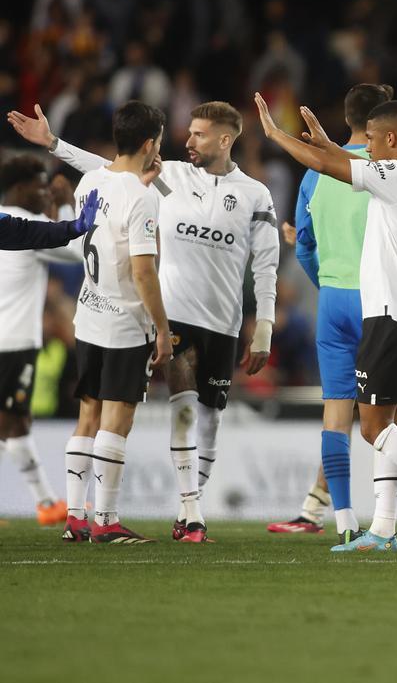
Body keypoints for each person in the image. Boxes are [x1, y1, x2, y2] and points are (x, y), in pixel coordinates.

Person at [9, 101, 279, 544]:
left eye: (198, 134)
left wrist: (263, 325)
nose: (187, 140)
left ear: (226, 140)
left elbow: (267, 263)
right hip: (169, 311)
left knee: (209, 420)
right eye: (187, 132)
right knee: (180, 409)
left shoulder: (254, 194)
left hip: (223, 321)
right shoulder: (170, 177)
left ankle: (169, 509)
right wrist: (55, 144)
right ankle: (186, 515)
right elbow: (112, 169)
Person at [255, 93, 397, 552]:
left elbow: (334, 170)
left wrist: (275, 135)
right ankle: (383, 527)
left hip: (390, 314)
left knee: (373, 426)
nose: (367, 152)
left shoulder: (395, 178)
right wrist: (327, 143)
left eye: (373, 145)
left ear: (390, 138)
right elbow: (352, 164)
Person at [58, 100, 173, 543]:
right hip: (126, 322)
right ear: (150, 144)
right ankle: (105, 520)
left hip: (88, 314)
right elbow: (143, 271)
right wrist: (162, 329)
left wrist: (141, 182)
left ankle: (74, 518)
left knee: (88, 413)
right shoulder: (143, 199)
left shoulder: (90, 181)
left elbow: (104, 225)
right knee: (117, 419)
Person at [0, 158, 84, 525]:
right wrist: (65, 204)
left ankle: (47, 502)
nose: (46, 190)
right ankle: (48, 503)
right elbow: (77, 250)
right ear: (19, 189)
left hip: (9, 339)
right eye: (40, 185)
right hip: (14, 342)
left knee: (15, 422)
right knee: (11, 422)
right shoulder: (25, 229)